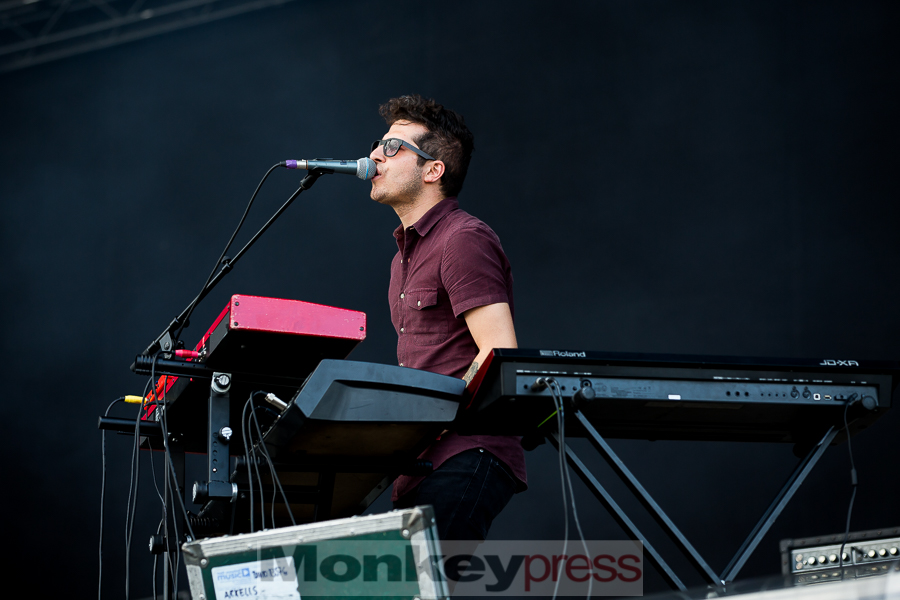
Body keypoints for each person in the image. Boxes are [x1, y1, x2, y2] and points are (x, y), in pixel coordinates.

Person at [368, 94, 527, 541]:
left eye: (393, 147)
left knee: (422, 576)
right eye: (378, 143)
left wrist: (435, 420)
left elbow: (499, 353)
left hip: (466, 450)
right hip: (419, 463)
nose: (375, 154)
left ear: (433, 170)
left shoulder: (462, 238)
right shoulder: (401, 258)